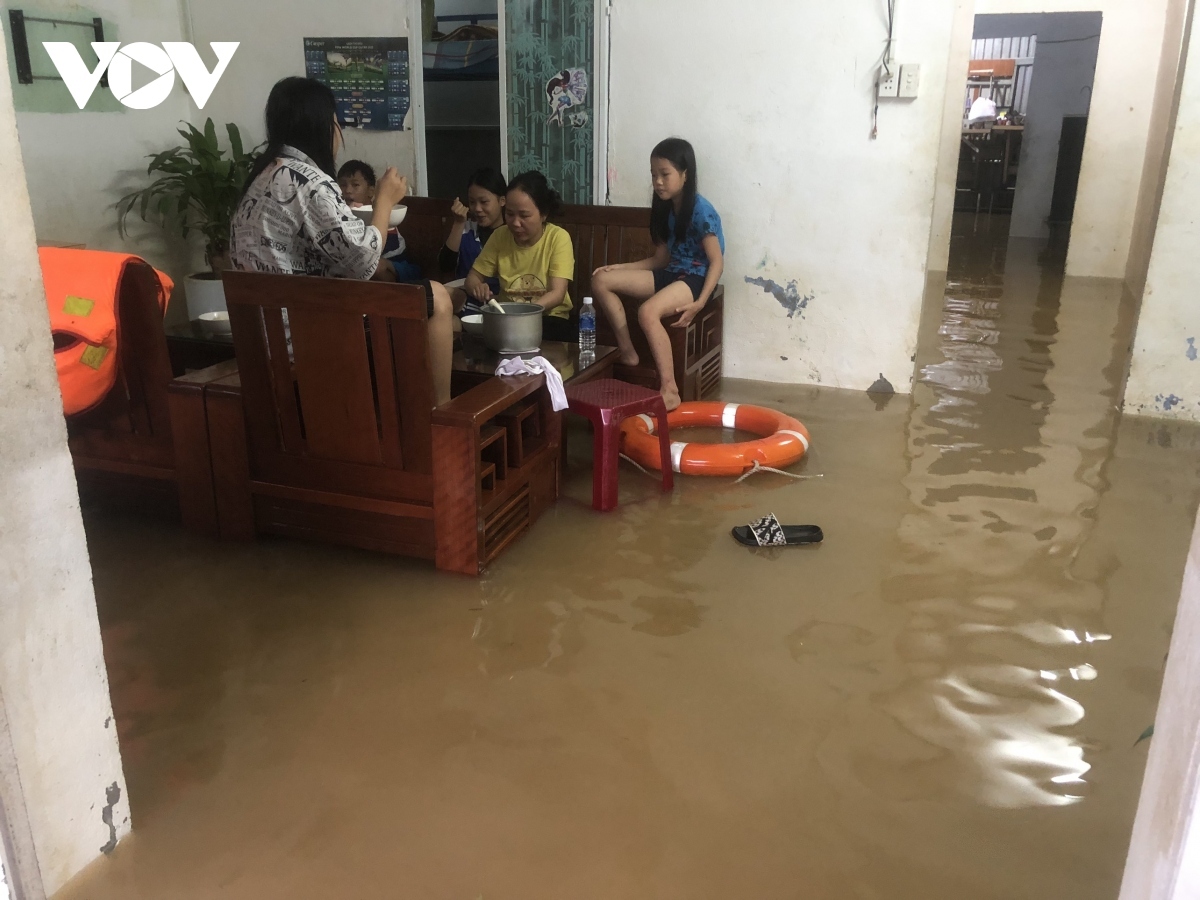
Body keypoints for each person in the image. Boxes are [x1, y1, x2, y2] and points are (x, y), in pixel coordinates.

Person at [229, 77, 456, 406]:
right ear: (322, 126)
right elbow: (364, 264)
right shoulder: (309, 181)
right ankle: (441, 420)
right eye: (336, 123)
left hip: (263, 340)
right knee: (436, 297)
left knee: (402, 299)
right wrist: (384, 202)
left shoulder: (260, 176)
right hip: (309, 336)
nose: (338, 133)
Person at [591, 138, 724, 411]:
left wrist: (700, 303)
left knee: (647, 312)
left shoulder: (702, 211)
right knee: (601, 279)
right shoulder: (665, 208)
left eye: (665, 174)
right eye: (654, 175)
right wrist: (619, 268)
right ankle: (628, 353)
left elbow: (717, 262)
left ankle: (670, 389)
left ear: (685, 174)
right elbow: (660, 259)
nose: (658, 182)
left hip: (695, 278)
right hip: (671, 271)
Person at [464, 171, 576, 342]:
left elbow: (557, 292)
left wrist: (525, 313)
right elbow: (473, 277)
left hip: (550, 318)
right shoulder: (500, 236)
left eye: (524, 216)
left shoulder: (558, 238)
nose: (515, 223)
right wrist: (477, 287)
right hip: (506, 318)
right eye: (509, 214)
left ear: (543, 214)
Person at [336, 159, 423, 283]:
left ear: (371, 191)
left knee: (376, 267)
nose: (348, 190)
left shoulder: (382, 213)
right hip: (356, 268)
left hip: (395, 265)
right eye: (343, 185)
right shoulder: (338, 211)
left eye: (355, 185)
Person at [439, 168, 507, 314]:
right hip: (462, 302)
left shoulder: (512, 233)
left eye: (484, 202)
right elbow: (445, 265)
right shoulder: (467, 228)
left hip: (499, 305)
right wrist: (458, 223)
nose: (477, 208)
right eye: (472, 202)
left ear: (502, 201)